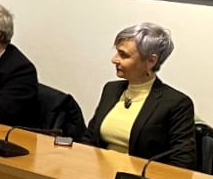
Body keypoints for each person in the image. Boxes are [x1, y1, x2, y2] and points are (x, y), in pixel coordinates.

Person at [83, 23, 196, 169]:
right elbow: (89, 139)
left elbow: (182, 162)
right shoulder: (111, 90)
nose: (114, 59)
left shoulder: (176, 103)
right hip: (97, 175)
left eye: (123, 55)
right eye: (117, 52)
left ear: (151, 61)